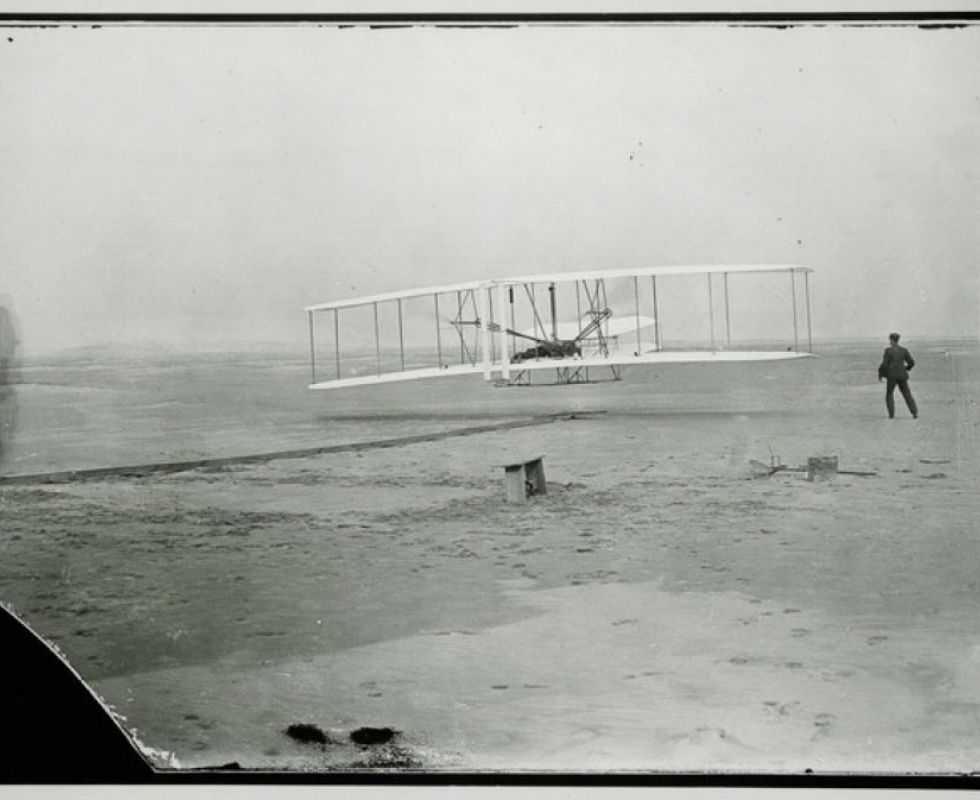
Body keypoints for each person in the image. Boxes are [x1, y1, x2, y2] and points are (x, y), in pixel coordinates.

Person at [877, 332, 918, 419]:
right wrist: (906, 369)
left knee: (889, 394)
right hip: (902, 375)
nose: (889, 342)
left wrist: (880, 373)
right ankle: (914, 412)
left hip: (891, 376)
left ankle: (891, 414)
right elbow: (912, 362)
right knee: (907, 394)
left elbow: (884, 364)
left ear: (892, 340)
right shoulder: (904, 350)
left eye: (890, 340)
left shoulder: (888, 351)